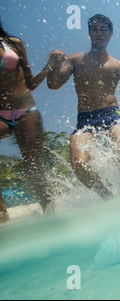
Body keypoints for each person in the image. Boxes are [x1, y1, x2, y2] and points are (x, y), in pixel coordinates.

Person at [47, 14, 120, 199]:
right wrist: (53, 65)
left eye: (103, 29)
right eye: (94, 29)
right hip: (84, 119)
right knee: (80, 165)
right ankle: (108, 197)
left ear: (110, 33)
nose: (98, 33)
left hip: (111, 114)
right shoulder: (76, 60)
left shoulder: (117, 65)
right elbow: (53, 84)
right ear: (89, 33)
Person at [1, 18, 60, 221]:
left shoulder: (13, 43)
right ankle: (2, 214)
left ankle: (50, 212)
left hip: (26, 111)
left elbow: (30, 83)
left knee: (33, 167)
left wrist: (49, 65)